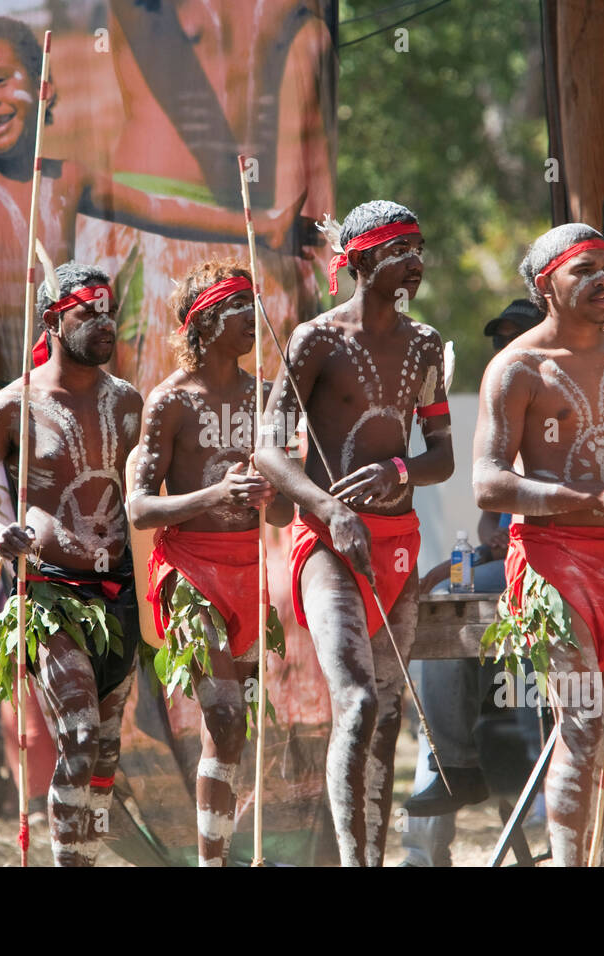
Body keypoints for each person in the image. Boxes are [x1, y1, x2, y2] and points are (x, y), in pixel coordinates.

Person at [0, 15, 301, 391]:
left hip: (65, 364)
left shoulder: (68, 178)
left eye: (0, 79)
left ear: (42, 87)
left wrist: (265, 226)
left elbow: (159, 210)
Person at [254, 200, 454, 866]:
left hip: (398, 542)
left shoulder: (424, 344)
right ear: (363, 262)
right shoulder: (316, 340)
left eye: (420, 249)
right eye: (403, 252)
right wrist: (330, 507)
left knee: (390, 717)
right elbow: (268, 449)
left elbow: (443, 456)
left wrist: (399, 469)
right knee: (360, 701)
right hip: (329, 545)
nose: (417, 264)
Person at [472, 224, 604, 866]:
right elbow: (488, 484)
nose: (603, 280)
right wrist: (593, 499)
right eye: (583, 269)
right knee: (582, 726)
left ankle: (591, 857)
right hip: (553, 569)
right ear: (545, 286)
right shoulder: (517, 367)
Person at [0, 262, 143, 867]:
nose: (105, 323)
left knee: (103, 758)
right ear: (54, 321)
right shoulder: (14, 405)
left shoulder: (130, 402)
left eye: (110, 310)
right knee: (78, 737)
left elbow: (145, 497)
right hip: (49, 594)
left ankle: (81, 854)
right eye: (89, 312)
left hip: (121, 597)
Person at [129, 258, 292, 865]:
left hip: (249, 574)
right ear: (202, 325)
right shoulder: (169, 401)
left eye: (255, 307)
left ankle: (218, 853)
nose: (253, 320)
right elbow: (142, 508)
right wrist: (216, 494)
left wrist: (269, 496)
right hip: (190, 574)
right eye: (237, 310)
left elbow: (278, 519)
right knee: (223, 718)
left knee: (234, 731)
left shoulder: (270, 400)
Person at [400, 299, 543, 866]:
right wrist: (488, 534)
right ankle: (447, 785)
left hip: (563, 563)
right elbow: (492, 511)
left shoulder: (568, 386)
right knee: (435, 609)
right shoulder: (500, 399)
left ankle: (551, 805)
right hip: (504, 560)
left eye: (517, 334)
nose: (505, 346)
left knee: (548, 682)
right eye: (499, 338)